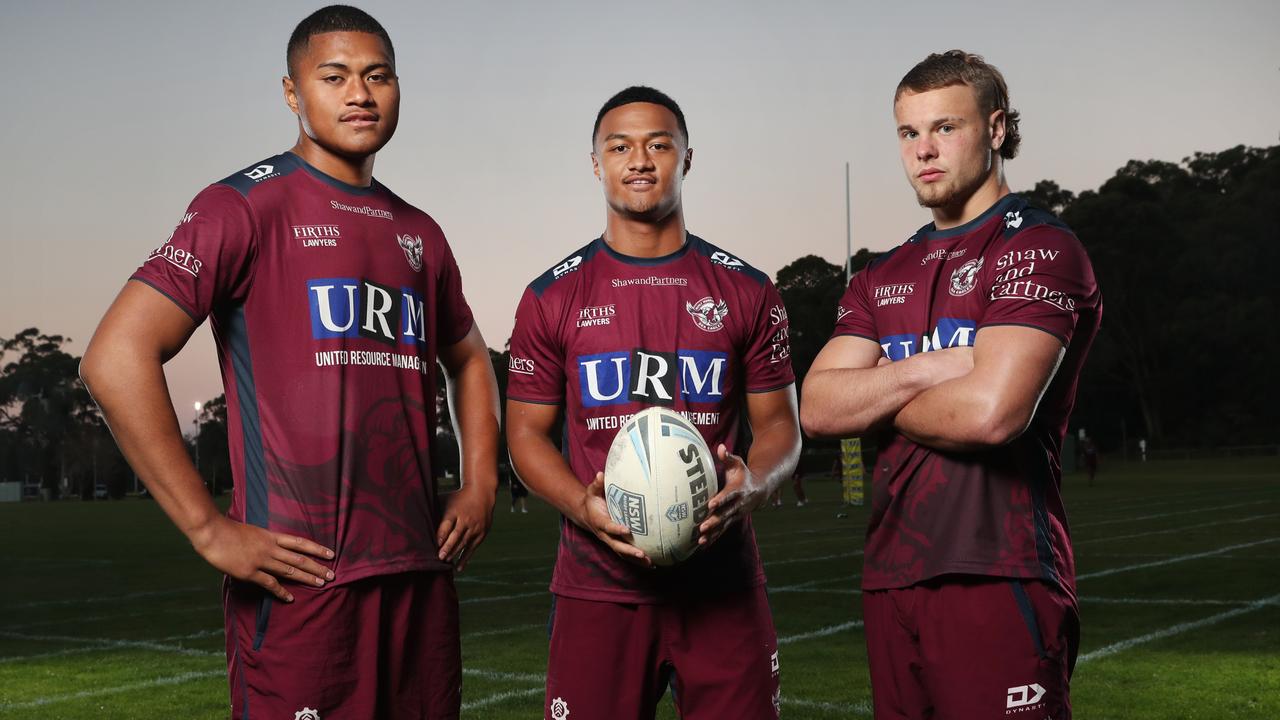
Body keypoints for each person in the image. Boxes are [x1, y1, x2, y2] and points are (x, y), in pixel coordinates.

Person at [79, 6, 499, 718]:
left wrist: (482, 481)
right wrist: (209, 529)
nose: (359, 93)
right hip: (303, 583)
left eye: (378, 76)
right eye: (334, 76)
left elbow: (469, 358)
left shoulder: (419, 231)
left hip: (420, 576)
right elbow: (114, 357)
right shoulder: (242, 206)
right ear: (292, 93)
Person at [801, 50, 1101, 719]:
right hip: (891, 575)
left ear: (996, 130)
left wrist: (874, 394)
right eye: (909, 134)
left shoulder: (1040, 248)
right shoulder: (881, 273)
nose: (923, 150)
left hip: (1000, 568)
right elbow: (818, 408)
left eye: (945, 128)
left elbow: (991, 414)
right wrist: (932, 367)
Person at [505, 86, 801, 720]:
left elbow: (781, 427)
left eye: (658, 144)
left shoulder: (747, 291)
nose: (639, 159)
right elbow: (525, 436)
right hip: (598, 586)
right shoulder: (550, 298)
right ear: (596, 163)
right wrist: (581, 509)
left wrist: (755, 484)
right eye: (620, 146)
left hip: (720, 580)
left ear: (687, 158)